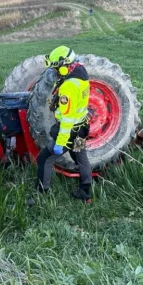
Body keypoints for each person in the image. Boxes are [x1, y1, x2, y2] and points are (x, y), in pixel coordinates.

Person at [35, 46, 92, 203]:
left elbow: (67, 120)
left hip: (70, 133)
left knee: (45, 159)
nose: (54, 70)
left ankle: (41, 195)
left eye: (55, 67)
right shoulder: (81, 73)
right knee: (80, 156)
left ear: (65, 66)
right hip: (81, 129)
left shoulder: (68, 86)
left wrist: (60, 144)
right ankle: (85, 192)